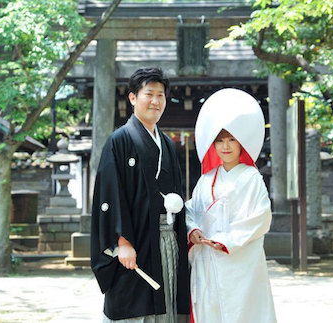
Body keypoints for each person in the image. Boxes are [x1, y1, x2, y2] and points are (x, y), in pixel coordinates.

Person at [91, 67, 190, 323]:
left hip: (167, 241)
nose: (156, 101)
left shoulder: (166, 143)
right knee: (133, 303)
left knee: (165, 303)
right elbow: (110, 194)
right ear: (133, 98)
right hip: (135, 240)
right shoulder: (120, 140)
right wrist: (122, 242)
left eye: (161, 95)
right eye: (149, 94)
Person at [185, 88, 277, 323]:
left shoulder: (251, 177)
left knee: (241, 312)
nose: (225, 146)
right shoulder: (206, 179)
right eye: (220, 140)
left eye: (231, 140)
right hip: (207, 259)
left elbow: (260, 217)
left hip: (239, 260)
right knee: (210, 310)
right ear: (213, 145)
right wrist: (192, 229)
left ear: (241, 143)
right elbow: (192, 210)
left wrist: (228, 240)